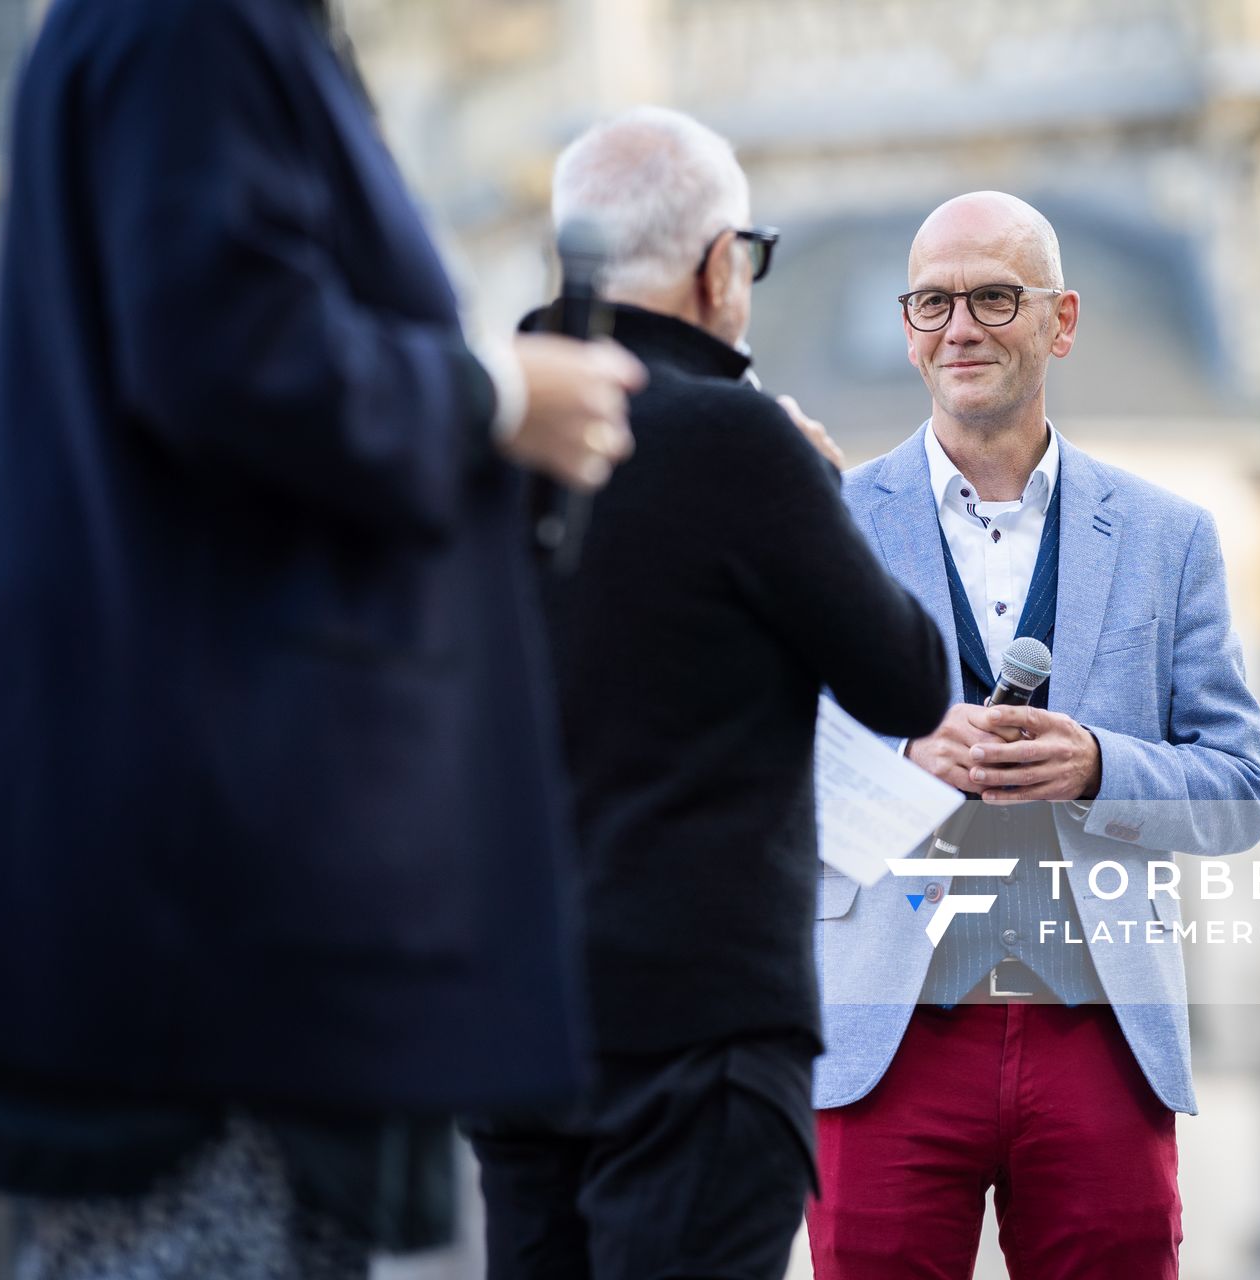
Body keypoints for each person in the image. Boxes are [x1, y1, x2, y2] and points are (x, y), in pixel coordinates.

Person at [0, 0, 644, 1272]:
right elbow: (226, 342)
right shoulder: (197, 22)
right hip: (207, 874)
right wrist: (496, 396)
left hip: (216, 868)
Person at [465, 107, 949, 1280]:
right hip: (699, 1036)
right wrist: (817, 491)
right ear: (720, 264)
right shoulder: (737, 438)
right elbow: (908, 679)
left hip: (511, 1014)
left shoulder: (477, 439)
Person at [806, 192, 1260, 1279]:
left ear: (1061, 321)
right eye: (932, 300)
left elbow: (1243, 787)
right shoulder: (827, 520)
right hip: (888, 1036)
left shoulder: (1170, 537)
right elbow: (759, 773)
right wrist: (904, 763)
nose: (959, 326)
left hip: (1097, 1035)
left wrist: (1100, 765)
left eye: (993, 297)